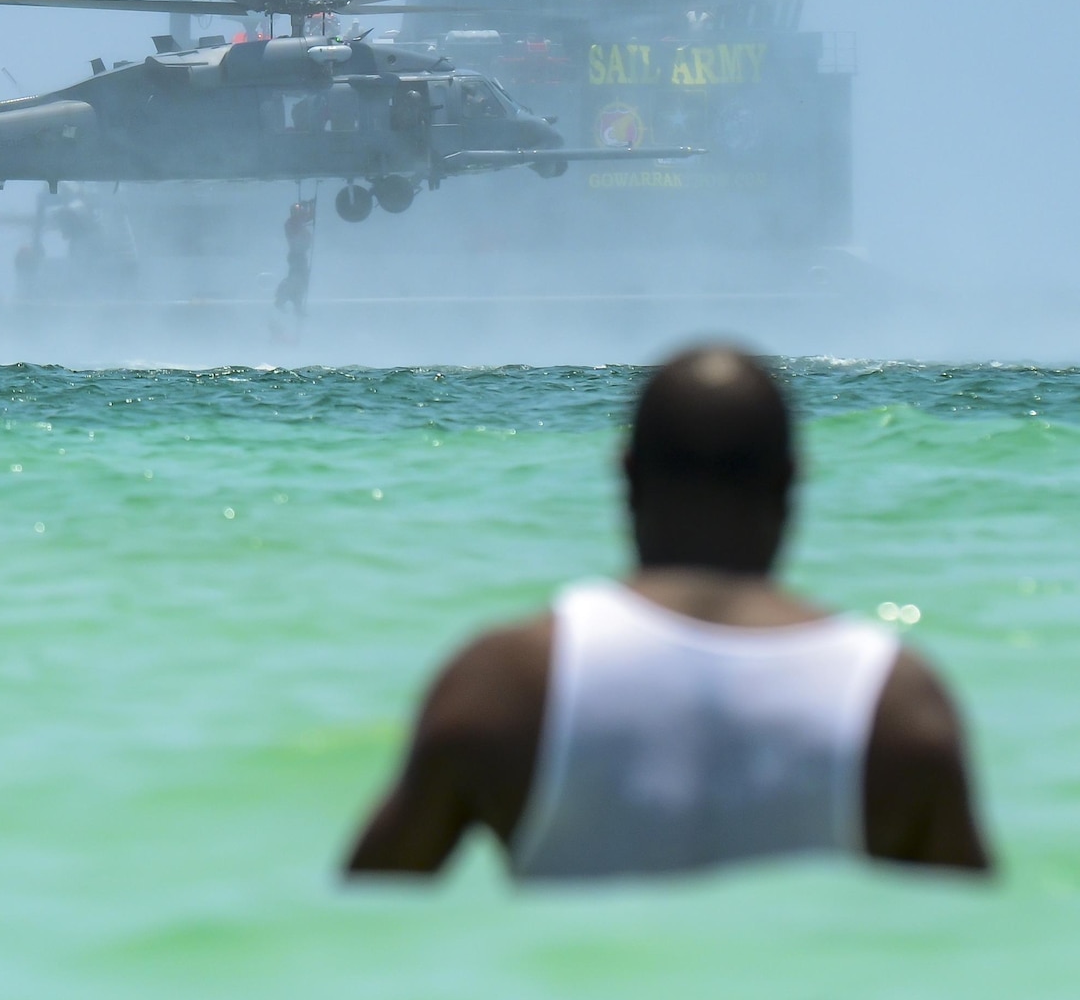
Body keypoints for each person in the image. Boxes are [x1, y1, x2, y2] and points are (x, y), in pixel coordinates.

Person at [344, 346, 990, 881]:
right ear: (790, 481)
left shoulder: (506, 682)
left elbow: (358, 922)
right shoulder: (898, 707)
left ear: (626, 476)